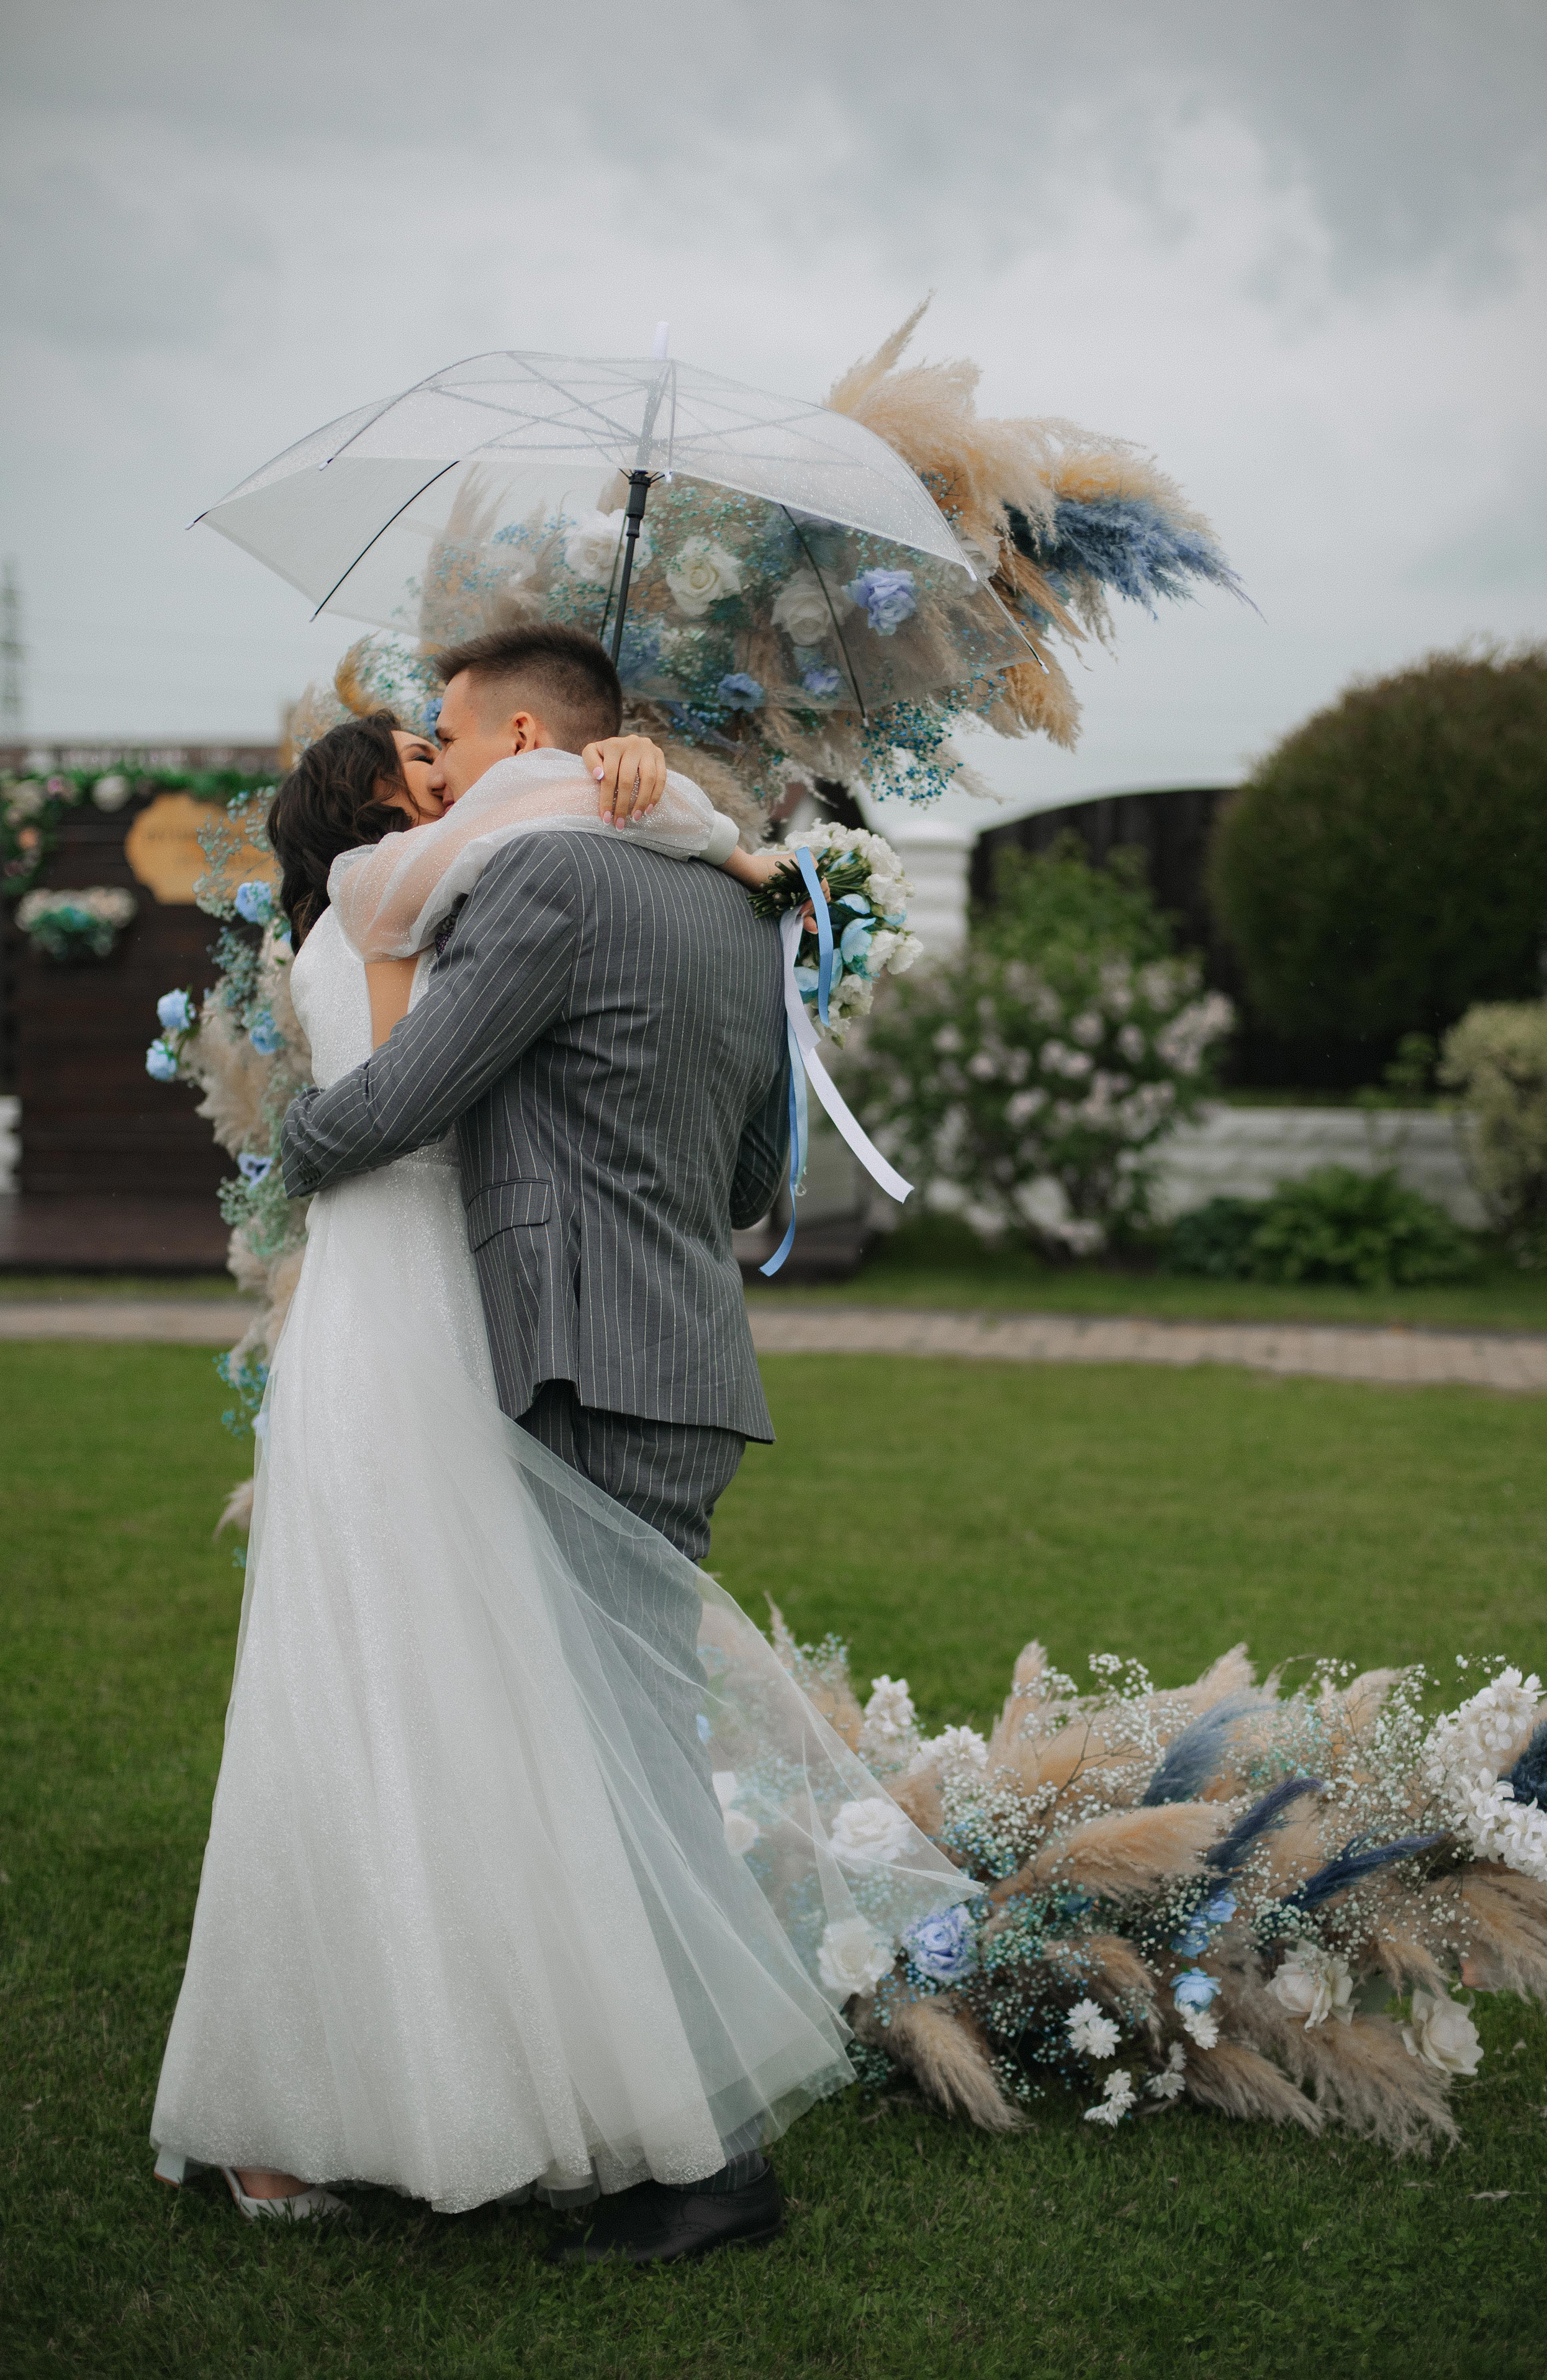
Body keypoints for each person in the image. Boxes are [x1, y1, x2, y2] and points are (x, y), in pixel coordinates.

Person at [150, 624, 971, 2264]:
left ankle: (706, 2155)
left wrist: (284, 1152)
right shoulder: (733, 907)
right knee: (610, 1744)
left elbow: (399, 1103)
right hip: (688, 1354)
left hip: (576, 1361)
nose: (436, 764)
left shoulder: (536, 887)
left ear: (526, 729)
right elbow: (751, 1181)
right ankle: (626, 2107)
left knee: (617, 1767)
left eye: (450, 734)